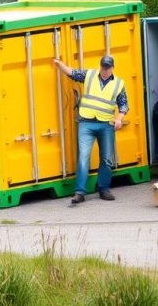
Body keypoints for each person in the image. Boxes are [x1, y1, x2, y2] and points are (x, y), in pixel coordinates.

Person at [53, 55, 128, 205]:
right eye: (103, 67)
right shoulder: (90, 75)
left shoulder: (119, 84)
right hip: (86, 123)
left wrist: (119, 118)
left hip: (106, 124)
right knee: (83, 157)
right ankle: (79, 192)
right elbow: (72, 73)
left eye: (108, 68)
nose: (105, 70)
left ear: (113, 67)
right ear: (100, 66)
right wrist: (59, 64)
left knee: (106, 159)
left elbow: (124, 105)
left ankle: (104, 189)